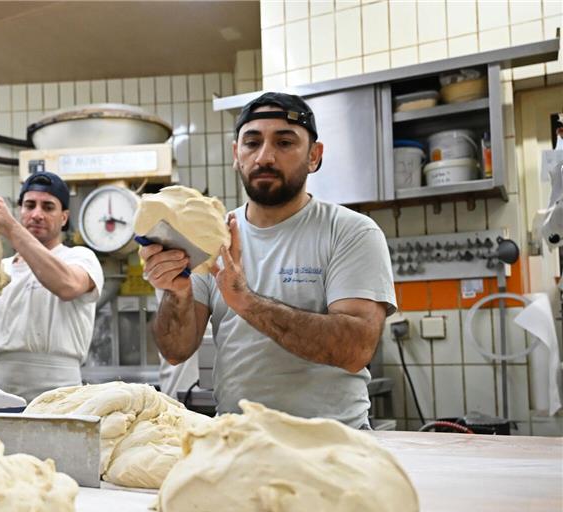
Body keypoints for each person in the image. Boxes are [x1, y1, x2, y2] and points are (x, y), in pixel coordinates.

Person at [140, 92, 396, 428]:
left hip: (332, 440)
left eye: (284, 142)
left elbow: (356, 348)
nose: (265, 157)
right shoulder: (212, 235)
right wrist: (177, 293)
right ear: (236, 154)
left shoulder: (350, 232)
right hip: (238, 437)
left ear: (314, 156)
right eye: (252, 142)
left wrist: (245, 302)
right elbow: (176, 350)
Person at [0, 171, 104, 402]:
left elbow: (67, 286)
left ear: (64, 217)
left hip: (61, 395)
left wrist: (10, 227)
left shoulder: (79, 258)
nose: (37, 214)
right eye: (30, 205)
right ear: (20, 210)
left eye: (48, 207)